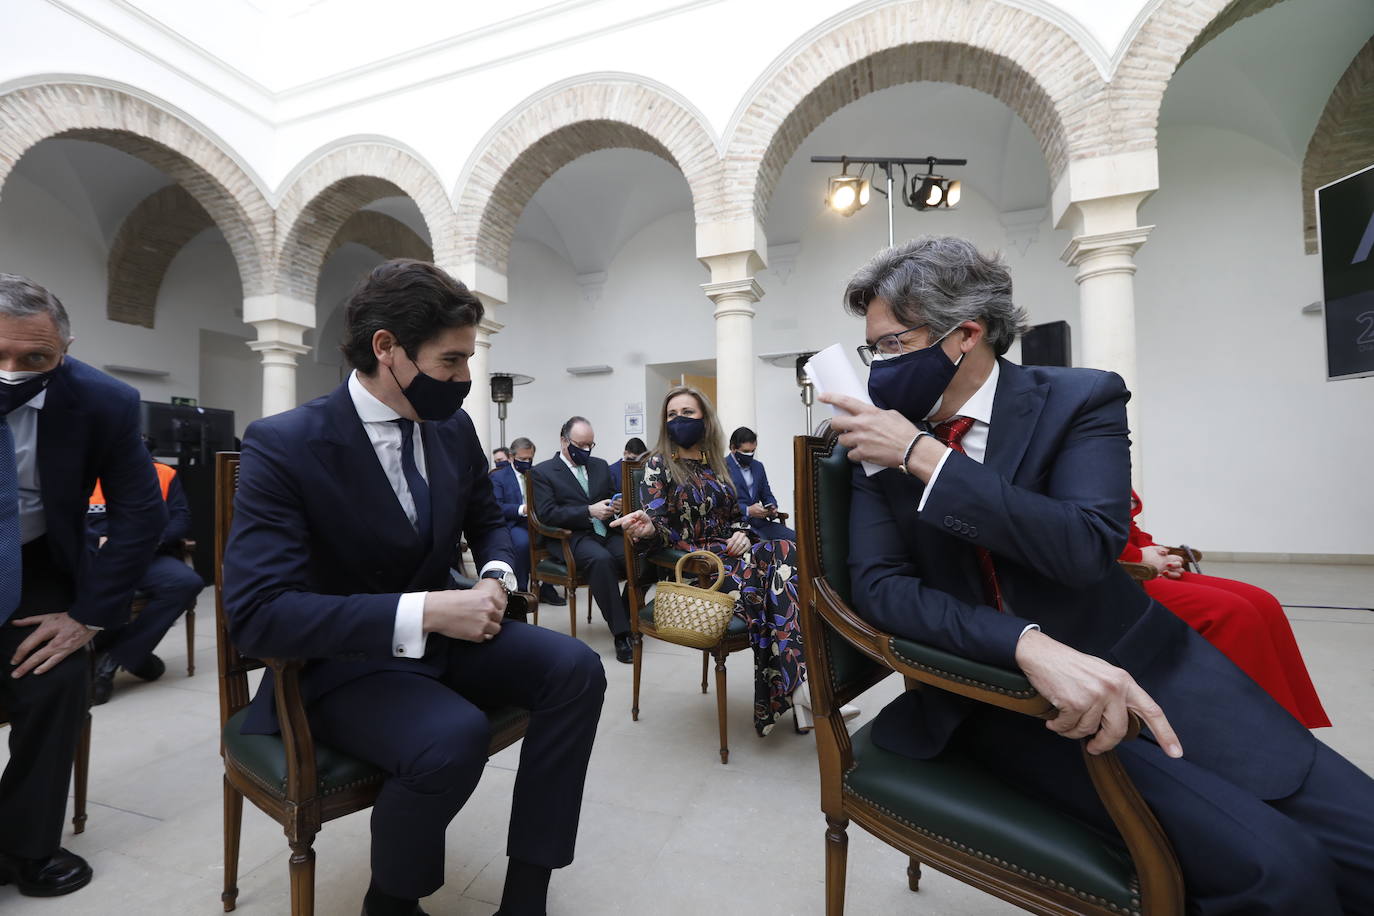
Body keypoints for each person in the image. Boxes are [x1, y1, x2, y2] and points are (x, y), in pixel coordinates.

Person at [823, 236, 1374, 913]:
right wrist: (1026, 643)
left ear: (964, 335)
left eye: (891, 344)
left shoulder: (1079, 400)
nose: (876, 366)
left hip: (1153, 667)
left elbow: (1085, 547)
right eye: (870, 349)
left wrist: (927, 458)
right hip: (1008, 703)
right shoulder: (873, 448)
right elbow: (883, 590)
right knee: (1282, 871)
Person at [222, 259, 605, 916]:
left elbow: (491, 520)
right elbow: (260, 615)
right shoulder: (286, 445)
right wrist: (427, 611)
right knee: (450, 738)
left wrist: (494, 575)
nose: (464, 379)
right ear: (386, 349)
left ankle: (526, 894)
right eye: (451, 362)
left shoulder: (451, 427)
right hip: (340, 667)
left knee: (576, 669)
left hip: (446, 633)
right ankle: (392, 900)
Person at [0, 274, 166, 897]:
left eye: (35, 358)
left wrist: (88, 617)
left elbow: (141, 514)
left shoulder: (105, 402)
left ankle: (25, 847)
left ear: (64, 350)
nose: (12, 370)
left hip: (38, 562)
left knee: (58, 680)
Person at [613, 387, 828, 735]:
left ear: (705, 420)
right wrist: (649, 528)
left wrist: (742, 531)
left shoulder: (715, 464)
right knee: (775, 589)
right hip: (696, 567)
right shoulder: (658, 464)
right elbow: (659, 526)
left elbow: (734, 516)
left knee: (789, 553)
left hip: (729, 554)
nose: (679, 420)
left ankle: (798, 689)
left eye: (687, 412)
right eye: (672, 415)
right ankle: (800, 689)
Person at [1122, 490, 1330, 729]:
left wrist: (1157, 552)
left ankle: (1289, 723)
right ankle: (1250, 728)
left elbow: (1125, 525)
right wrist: (1138, 556)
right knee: (1233, 613)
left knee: (1263, 602)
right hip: (1107, 572)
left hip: (1131, 560)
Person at [86, 451, 205, 704]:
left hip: (147, 556)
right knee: (113, 587)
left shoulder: (163, 474)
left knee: (186, 582)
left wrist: (149, 542)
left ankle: (112, 661)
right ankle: (130, 656)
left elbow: (180, 518)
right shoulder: (83, 472)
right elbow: (64, 519)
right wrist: (93, 541)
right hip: (98, 558)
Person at [530, 417, 634, 663]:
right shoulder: (542, 472)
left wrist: (615, 506)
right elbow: (547, 514)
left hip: (605, 531)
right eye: (581, 444)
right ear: (564, 440)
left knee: (639, 555)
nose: (586, 450)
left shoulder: (600, 465)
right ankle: (622, 635)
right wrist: (588, 511)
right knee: (601, 561)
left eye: (590, 445)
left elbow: (610, 497)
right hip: (570, 536)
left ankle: (625, 613)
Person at [489, 436, 565, 606]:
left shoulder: (537, 474)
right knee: (523, 543)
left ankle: (547, 587)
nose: (527, 462)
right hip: (514, 522)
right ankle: (521, 589)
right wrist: (522, 509)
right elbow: (497, 506)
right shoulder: (499, 477)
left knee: (559, 536)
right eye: (522, 459)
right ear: (510, 457)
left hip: (538, 521)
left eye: (530, 459)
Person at [725, 426, 795, 541]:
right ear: (733, 448)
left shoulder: (758, 466)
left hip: (761, 523)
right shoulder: (722, 467)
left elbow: (766, 494)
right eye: (746, 451)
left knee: (797, 539)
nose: (750, 455)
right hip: (737, 526)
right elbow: (723, 505)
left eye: (753, 451)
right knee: (763, 544)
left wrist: (772, 507)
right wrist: (747, 510)